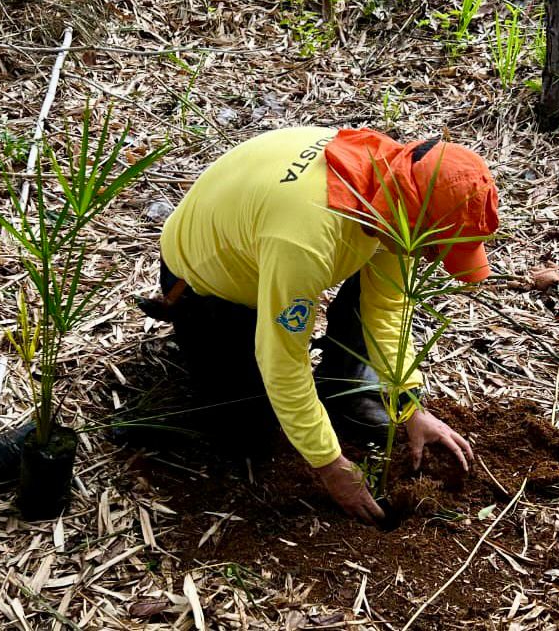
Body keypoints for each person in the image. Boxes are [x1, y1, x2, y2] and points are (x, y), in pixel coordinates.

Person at [138, 126, 499, 525]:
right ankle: (203, 348)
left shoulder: (392, 186)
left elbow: (387, 307)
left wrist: (409, 406)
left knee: (298, 395)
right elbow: (282, 362)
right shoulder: (306, 237)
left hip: (267, 247)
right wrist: (329, 464)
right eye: (432, 247)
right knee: (249, 438)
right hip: (210, 287)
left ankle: (342, 389)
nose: (431, 259)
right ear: (412, 212)